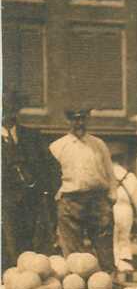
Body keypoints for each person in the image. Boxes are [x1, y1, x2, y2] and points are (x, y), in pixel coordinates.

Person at [49, 109, 117, 273]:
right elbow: (50, 177)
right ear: (68, 121)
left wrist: (112, 196)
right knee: (72, 247)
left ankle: (108, 279)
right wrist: (57, 198)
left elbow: (110, 172)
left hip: (98, 199)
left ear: (88, 120)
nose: (79, 123)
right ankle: (76, 282)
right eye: (75, 119)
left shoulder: (98, 144)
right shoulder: (58, 146)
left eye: (83, 119)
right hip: (70, 200)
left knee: (104, 243)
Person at [2, 91, 59, 269]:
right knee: (7, 249)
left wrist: (45, 193)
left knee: (31, 250)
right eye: (4, 108)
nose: (8, 112)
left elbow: (53, 168)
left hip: (32, 205)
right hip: (5, 205)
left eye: (12, 107)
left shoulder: (32, 136)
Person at [111, 155, 137, 272]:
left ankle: (114, 263)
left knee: (112, 238)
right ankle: (125, 264)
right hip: (126, 210)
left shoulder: (106, 175)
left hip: (111, 208)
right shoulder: (130, 176)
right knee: (124, 237)